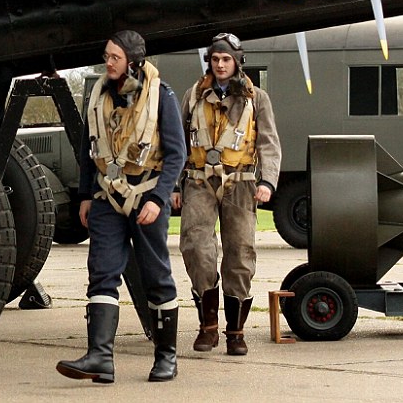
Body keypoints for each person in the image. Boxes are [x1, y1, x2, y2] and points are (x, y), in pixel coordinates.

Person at [56, 30, 186, 384]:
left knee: (156, 276)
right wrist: (85, 195)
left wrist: (159, 199)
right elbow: (87, 150)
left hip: (146, 197)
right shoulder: (98, 96)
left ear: (133, 60)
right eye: (106, 56)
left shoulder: (163, 97)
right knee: (102, 271)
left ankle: (166, 357)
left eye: (114, 57)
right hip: (104, 199)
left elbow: (177, 154)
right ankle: (100, 357)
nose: (107, 62)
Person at [172, 32, 281, 356]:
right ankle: (208, 328)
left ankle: (236, 332)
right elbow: (177, 144)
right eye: (216, 59)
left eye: (226, 59)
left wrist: (268, 182)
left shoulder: (256, 98)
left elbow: (269, 144)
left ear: (237, 61)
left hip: (241, 182)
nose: (220, 65)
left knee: (240, 254)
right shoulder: (193, 96)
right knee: (197, 248)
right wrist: (175, 186)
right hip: (199, 182)